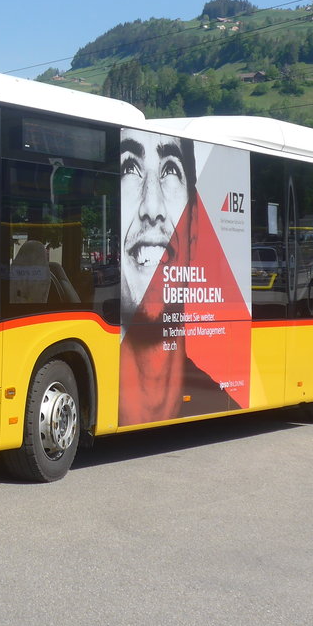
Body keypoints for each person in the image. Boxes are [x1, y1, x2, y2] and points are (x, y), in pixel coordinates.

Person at [119, 129, 216, 425]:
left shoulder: (222, 398)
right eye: (128, 168)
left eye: (170, 170)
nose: (152, 208)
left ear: (194, 227)